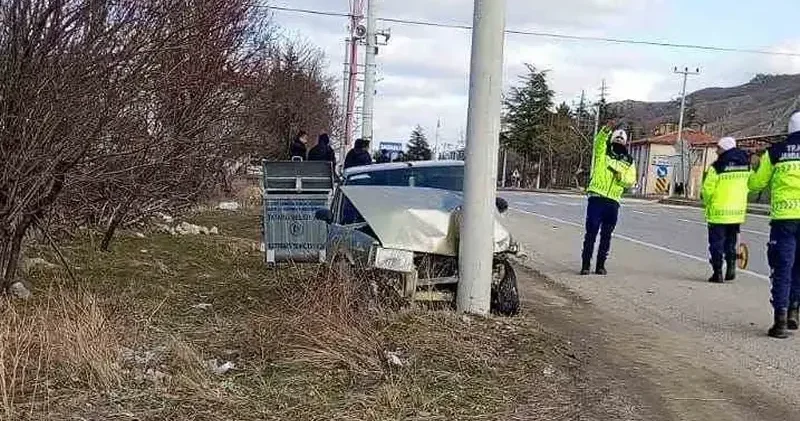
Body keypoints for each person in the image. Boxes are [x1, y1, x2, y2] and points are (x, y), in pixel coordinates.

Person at [749, 111, 800, 338]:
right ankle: (793, 311)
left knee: (782, 269)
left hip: (784, 219)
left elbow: (756, 185)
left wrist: (755, 167)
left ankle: (779, 322)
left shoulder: (775, 152)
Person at [580, 122, 637, 276]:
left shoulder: (629, 160)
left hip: (613, 201)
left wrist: (621, 177)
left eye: (621, 139)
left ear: (625, 142)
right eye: (616, 138)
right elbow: (598, 143)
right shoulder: (603, 152)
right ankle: (586, 265)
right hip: (597, 197)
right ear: (612, 139)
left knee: (606, 235)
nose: (619, 141)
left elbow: (631, 180)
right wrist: (605, 130)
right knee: (591, 233)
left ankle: (600, 265)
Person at [701, 137, 751, 283]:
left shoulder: (717, 166)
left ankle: (717, 273)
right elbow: (751, 183)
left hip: (719, 212)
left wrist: (708, 202)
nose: (717, 151)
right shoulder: (746, 165)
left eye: (718, 148)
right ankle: (731, 268)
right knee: (731, 242)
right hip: (736, 212)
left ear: (724, 149)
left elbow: (707, 189)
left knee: (717, 243)